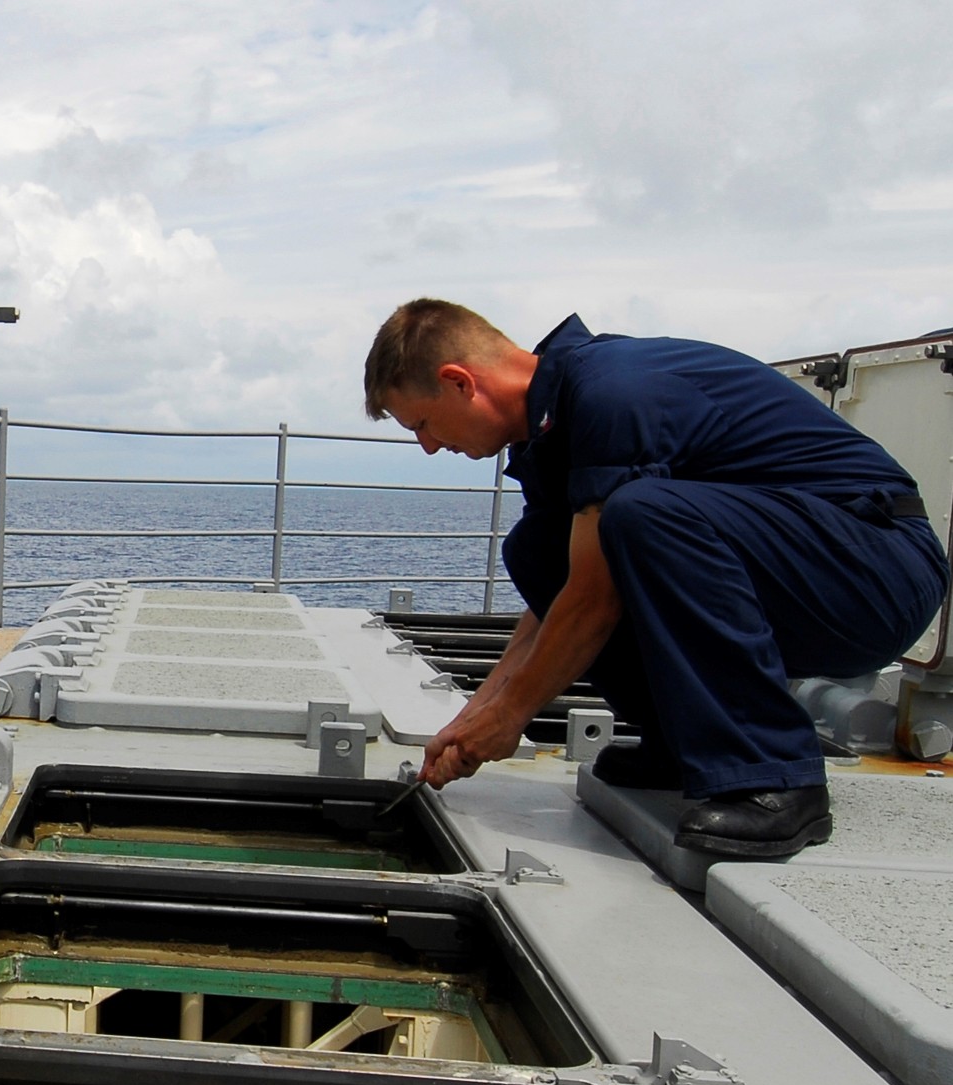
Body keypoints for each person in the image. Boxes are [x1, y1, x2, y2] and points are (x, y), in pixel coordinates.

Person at [362, 299, 949, 858]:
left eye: (423, 423)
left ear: (460, 381)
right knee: (536, 548)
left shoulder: (613, 391)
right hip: (804, 568)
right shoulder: (554, 427)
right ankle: (684, 747)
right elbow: (558, 599)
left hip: (876, 570)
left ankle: (776, 776)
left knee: (643, 514)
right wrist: (472, 719)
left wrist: (511, 717)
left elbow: (593, 601)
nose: (430, 446)